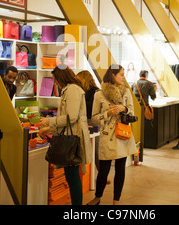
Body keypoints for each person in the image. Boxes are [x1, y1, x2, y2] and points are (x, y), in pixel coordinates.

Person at [38, 66, 92, 204]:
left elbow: (71, 117)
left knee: (72, 177)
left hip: (72, 138)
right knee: (71, 176)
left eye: (55, 79)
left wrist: (50, 121)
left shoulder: (72, 90)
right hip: (70, 136)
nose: (55, 83)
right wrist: (49, 128)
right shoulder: (70, 89)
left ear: (61, 77)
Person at [87, 64, 137, 205]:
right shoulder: (99, 94)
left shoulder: (126, 92)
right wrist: (108, 113)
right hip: (107, 135)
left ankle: (116, 200)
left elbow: (132, 112)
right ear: (113, 75)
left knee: (120, 169)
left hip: (122, 133)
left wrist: (124, 108)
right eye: (121, 74)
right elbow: (94, 118)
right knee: (103, 169)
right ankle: (98, 197)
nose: (123, 77)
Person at [76, 70, 100, 170]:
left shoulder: (95, 91)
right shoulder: (79, 91)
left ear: (84, 79)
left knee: (96, 150)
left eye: (78, 80)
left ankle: (101, 174)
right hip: (82, 121)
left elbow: (93, 108)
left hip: (92, 122)